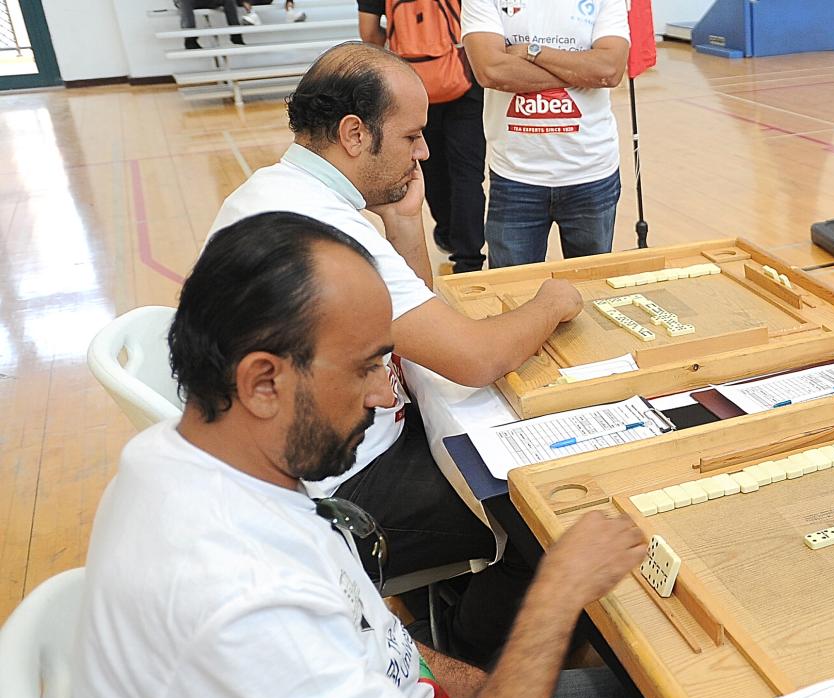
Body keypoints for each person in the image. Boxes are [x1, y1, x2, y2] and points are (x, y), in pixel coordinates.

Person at [72, 212, 685, 698]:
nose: (384, 395)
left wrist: (484, 688)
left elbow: (367, 636)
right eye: (365, 368)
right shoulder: (247, 600)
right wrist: (554, 598)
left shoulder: (187, 457)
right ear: (263, 382)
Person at [211, 42, 586, 663]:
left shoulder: (275, 191)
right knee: (547, 523)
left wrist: (407, 223)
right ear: (355, 134)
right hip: (337, 498)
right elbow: (471, 357)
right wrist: (550, 302)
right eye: (412, 135)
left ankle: (438, 598)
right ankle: (461, 656)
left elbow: (411, 321)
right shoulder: (327, 231)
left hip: (291, 471)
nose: (424, 152)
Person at [460, 0, 629, 267]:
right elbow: (491, 71)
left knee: (590, 285)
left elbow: (608, 70)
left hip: (591, 173)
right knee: (514, 287)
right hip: (515, 177)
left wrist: (532, 52)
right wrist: (581, 73)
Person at [360, 0, 488, 273]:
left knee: (428, 163)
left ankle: (447, 231)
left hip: (413, 84)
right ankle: (468, 259)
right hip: (464, 78)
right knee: (467, 173)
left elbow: (369, 34)